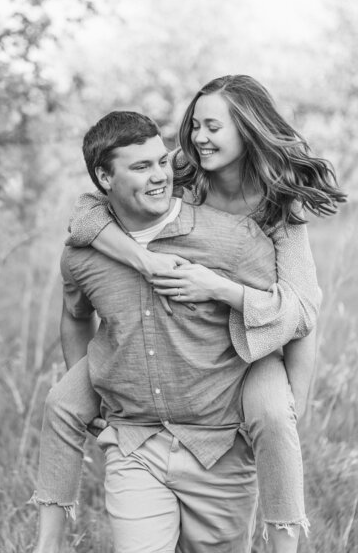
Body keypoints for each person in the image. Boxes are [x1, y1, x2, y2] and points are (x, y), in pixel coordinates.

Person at [59, 76, 345, 552]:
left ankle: (284, 543)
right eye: (194, 125)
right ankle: (52, 531)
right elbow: (87, 214)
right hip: (179, 347)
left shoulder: (279, 202)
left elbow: (301, 314)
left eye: (212, 126)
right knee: (60, 402)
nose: (197, 137)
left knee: (276, 416)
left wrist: (218, 288)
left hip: (255, 345)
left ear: (247, 130)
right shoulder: (183, 178)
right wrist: (144, 261)